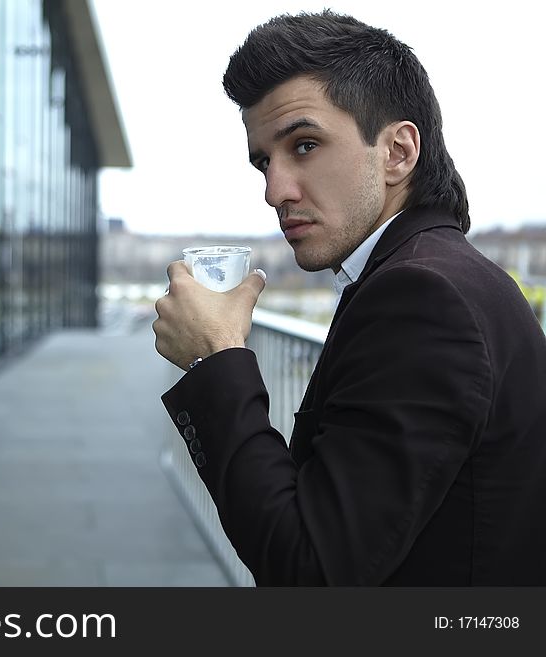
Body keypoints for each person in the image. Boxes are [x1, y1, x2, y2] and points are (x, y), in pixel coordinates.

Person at [152, 10, 546, 586]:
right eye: (264, 161)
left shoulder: (424, 299)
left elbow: (310, 572)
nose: (274, 190)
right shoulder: (440, 276)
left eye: (304, 145)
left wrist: (215, 357)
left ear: (398, 152)